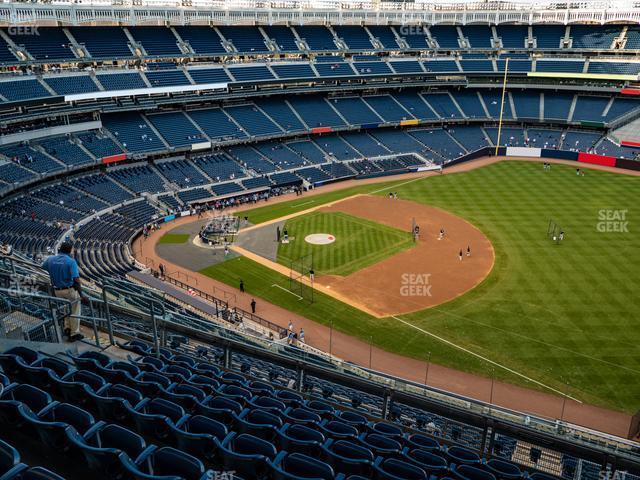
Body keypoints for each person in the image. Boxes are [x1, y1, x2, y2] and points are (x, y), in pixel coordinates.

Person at [42, 242, 84, 342]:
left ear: (60, 249)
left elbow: (44, 267)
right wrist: (81, 294)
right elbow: (76, 279)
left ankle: (67, 328)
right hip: (69, 290)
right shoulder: (71, 261)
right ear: (69, 251)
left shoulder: (50, 259)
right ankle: (74, 333)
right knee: (75, 310)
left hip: (57, 290)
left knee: (66, 307)